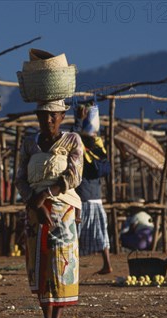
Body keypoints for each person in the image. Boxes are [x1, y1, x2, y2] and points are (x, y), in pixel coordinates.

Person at [15, 99, 84, 318]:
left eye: (53, 116)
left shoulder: (72, 141)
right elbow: (20, 178)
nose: (48, 120)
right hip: (35, 210)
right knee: (40, 263)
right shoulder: (29, 144)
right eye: (43, 116)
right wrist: (34, 203)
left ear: (63, 116)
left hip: (62, 208)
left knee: (61, 264)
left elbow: (73, 176)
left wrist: (46, 194)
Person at [74, 103, 112, 274]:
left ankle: (72, 265)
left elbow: (73, 138)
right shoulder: (99, 150)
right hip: (97, 199)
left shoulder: (81, 151)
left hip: (84, 199)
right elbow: (93, 138)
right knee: (101, 233)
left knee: (75, 233)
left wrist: (78, 120)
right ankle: (107, 263)